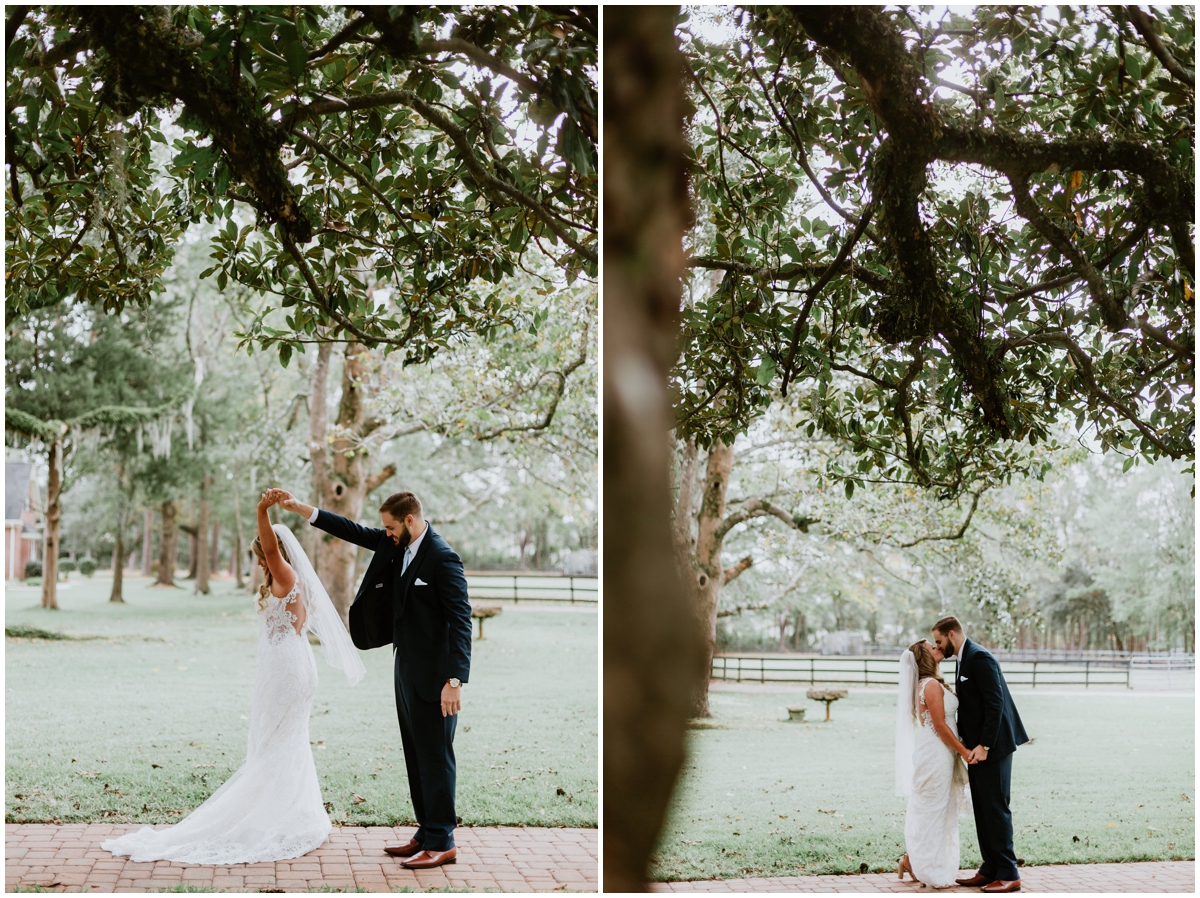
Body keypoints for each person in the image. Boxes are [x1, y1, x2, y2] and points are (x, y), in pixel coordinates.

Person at [102, 490, 364, 865]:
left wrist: (262, 510)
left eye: (261, 556)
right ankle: (289, 815)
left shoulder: (285, 573)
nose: (261, 562)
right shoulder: (293, 581)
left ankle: (266, 818)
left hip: (287, 670)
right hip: (297, 665)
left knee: (272, 744)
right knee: (284, 741)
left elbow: (272, 549)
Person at [274, 488, 472, 870]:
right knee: (416, 755)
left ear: (409, 521)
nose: (386, 533)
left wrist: (454, 681)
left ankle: (443, 840)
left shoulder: (443, 559)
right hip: (406, 670)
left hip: (436, 677)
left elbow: (461, 622)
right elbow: (353, 531)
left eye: (390, 526)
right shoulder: (398, 545)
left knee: (435, 756)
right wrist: (303, 510)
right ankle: (427, 829)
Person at [932, 616, 1030, 893]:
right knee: (983, 808)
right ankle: (990, 868)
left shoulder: (980, 657)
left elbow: (995, 702)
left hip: (993, 748)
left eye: (939, 641)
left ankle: (1009, 873)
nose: (938, 647)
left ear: (951, 634)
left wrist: (985, 745)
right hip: (976, 750)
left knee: (996, 808)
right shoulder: (963, 659)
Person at [895, 640, 973, 888]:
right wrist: (964, 751)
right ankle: (926, 867)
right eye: (932, 646)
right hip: (936, 753)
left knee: (939, 809)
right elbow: (940, 726)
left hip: (941, 752)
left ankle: (912, 860)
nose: (938, 647)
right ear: (924, 658)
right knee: (933, 810)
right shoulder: (929, 685)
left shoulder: (932, 683)